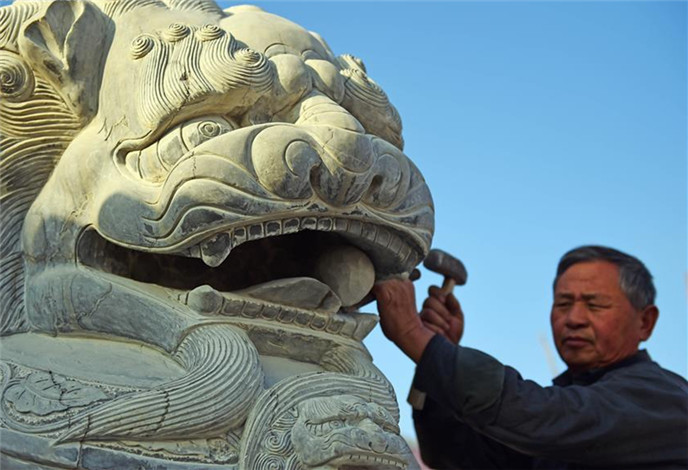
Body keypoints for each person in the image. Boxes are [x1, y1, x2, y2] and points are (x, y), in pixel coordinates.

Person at [373, 245, 688, 469]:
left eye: (595, 305)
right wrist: (438, 354)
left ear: (645, 322)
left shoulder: (666, 401)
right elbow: (451, 455)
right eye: (563, 304)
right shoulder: (554, 420)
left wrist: (416, 336)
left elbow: (545, 414)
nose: (574, 319)